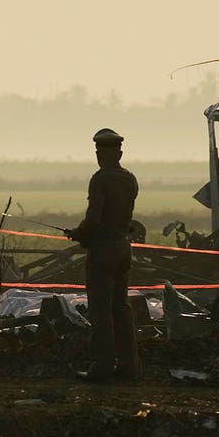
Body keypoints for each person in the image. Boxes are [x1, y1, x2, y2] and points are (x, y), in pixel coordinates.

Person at [66, 128, 140, 381]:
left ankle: (102, 366)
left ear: (101, 154)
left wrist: (78, 234)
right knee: (121, 308)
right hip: (123, 248)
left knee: (100, 310)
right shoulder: (130, 179)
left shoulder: (100, 180)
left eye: (99, 151)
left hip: (103, 251)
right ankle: (129, 366)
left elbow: (94, 218)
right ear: (120, 152)